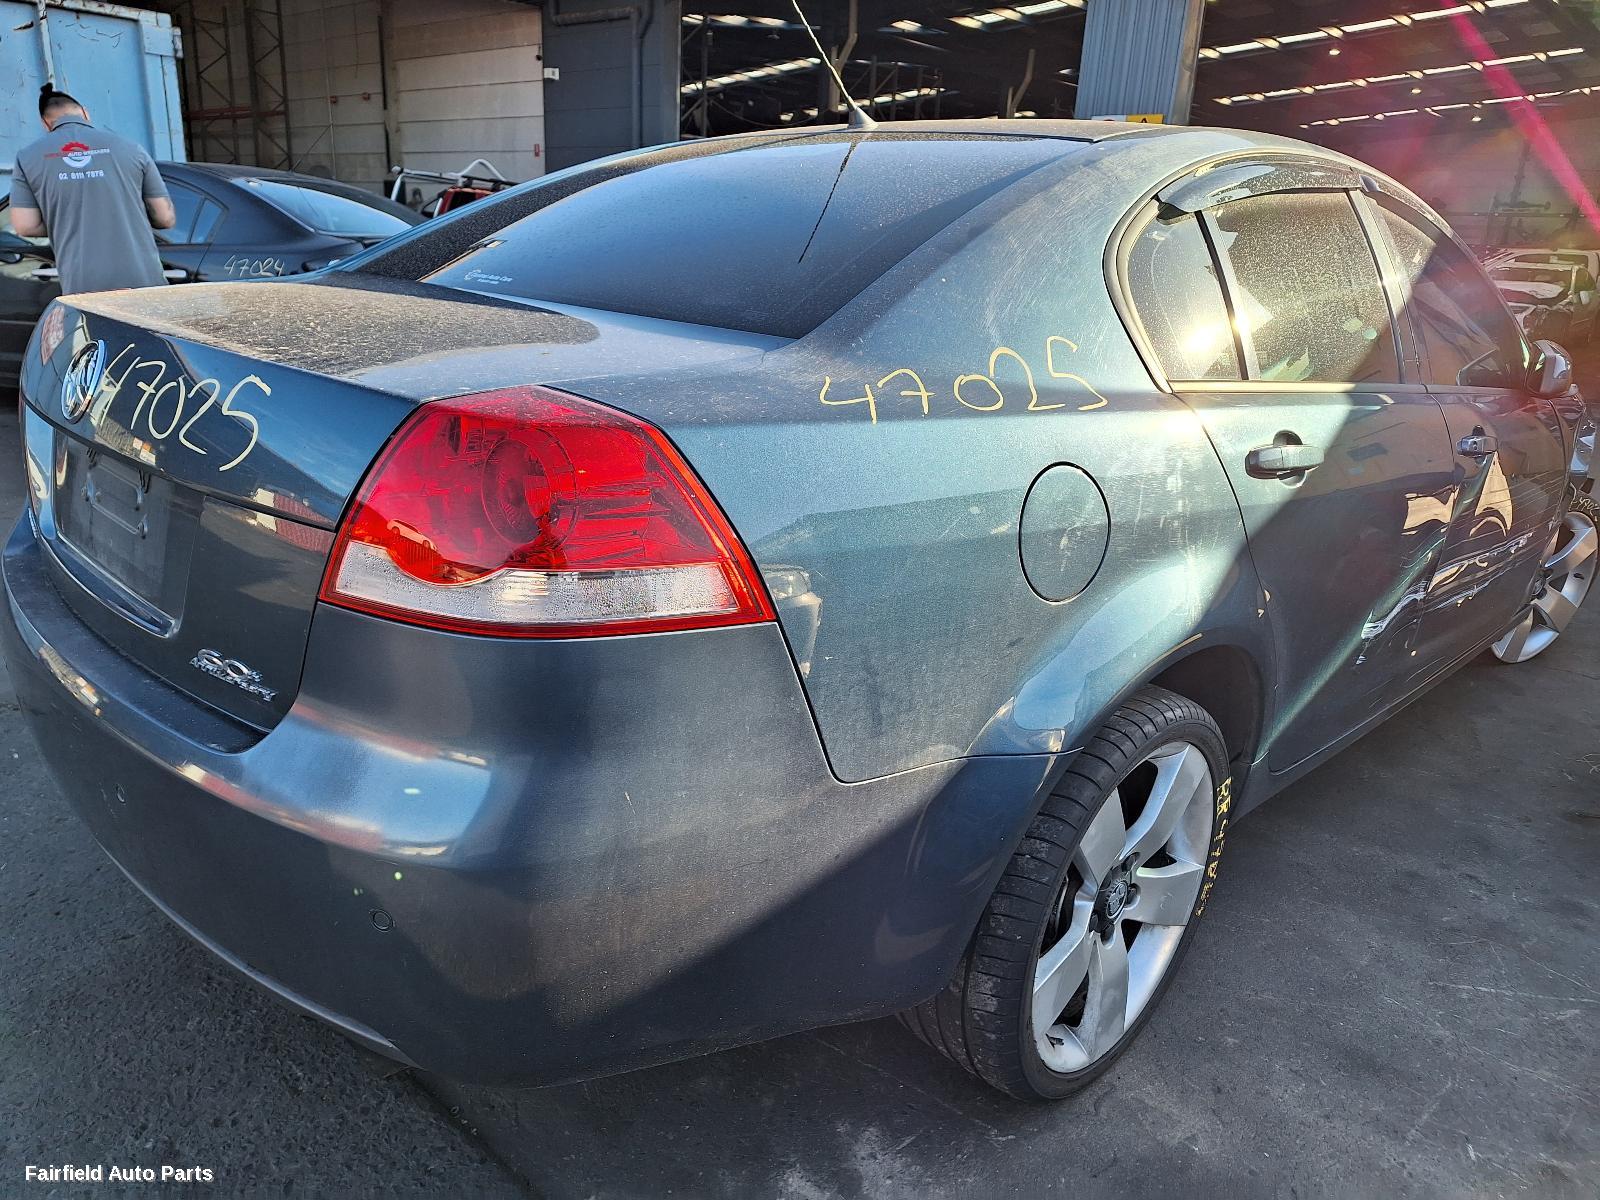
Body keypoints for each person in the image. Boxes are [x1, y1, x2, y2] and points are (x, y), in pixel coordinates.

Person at [9, 85, 176, 295]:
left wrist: (68, 219)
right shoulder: (131, 148)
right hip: (145, 282)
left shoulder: (27, 157)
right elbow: (165, 218)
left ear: (45, 124)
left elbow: (26, 226)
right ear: (85, 113)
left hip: (83, 287)